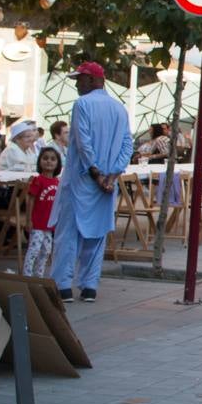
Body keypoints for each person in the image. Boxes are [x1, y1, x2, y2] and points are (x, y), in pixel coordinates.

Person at [50, 61, 133, 303]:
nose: (77, 84)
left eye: (80, 79)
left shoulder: (82, 104)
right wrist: (113, 173)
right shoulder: (119, 108)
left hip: (83, 179)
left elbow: (82, 141)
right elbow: (128, 144)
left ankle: (63, 284)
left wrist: (96, 172)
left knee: (68, 234)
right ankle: (89, 285)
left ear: (94, 80)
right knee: (96, 235)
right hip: (105, 180)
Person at [23, 147, 61, 278]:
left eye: (53, 159)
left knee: (46, 251)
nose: (49, 162)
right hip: (38, 223)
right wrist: (28, 220)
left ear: (58, 163)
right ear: (39, 161)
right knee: (34, 250)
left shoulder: (57, 182)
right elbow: (30, 200)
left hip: (49, 225)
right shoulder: (37, 180)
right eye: (45, 158)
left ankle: (39, 274)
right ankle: (27, 275)